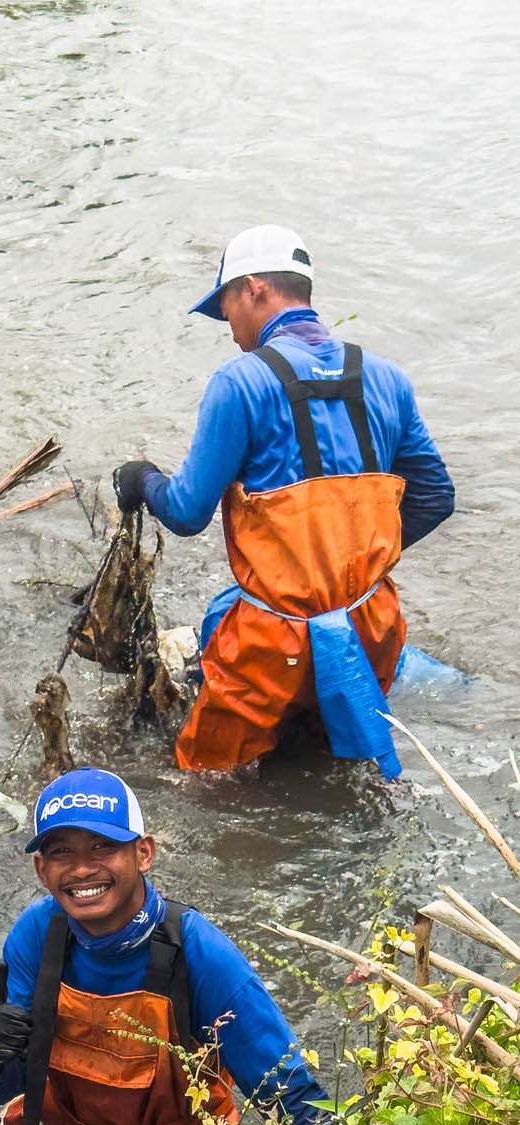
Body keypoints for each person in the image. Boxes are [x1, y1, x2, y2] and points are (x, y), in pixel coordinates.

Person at [114, 225, 454, 774]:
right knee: (332, 764)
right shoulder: (389, 378)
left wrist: (142, 480)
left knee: (204, 781)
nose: (231, 334)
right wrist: (353, 561)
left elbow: (185, 512)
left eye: (227, 315)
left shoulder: (240, 383)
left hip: (272, 646)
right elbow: (435, 497)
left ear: (254, 290)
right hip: (370, 624)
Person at [0, 768, 332, 1125]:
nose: (82, 869)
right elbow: (13, 1082)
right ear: (42, 870)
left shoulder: (199, 953)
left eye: (103, 846)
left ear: (144, 853)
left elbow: (287, 1094)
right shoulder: (35, 936)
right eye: (62, 852)